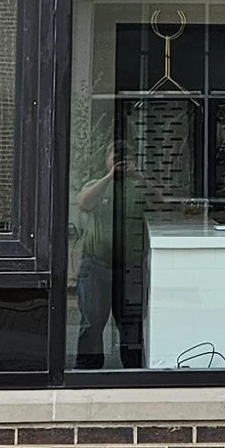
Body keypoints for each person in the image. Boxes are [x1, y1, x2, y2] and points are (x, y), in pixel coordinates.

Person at [72, 132, 149, 368]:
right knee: (91, 323)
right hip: (96, 266)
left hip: (130, 269)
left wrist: (140, 177)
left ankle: (133, 371)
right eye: (115, 158)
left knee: (130, 323)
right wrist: (109, 177)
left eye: (125, 159)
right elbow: (84, 202)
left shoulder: (139, 186)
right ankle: (86, 372)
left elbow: (164, 205)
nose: (120, 163)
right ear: (107, 160)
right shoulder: (95, 184)